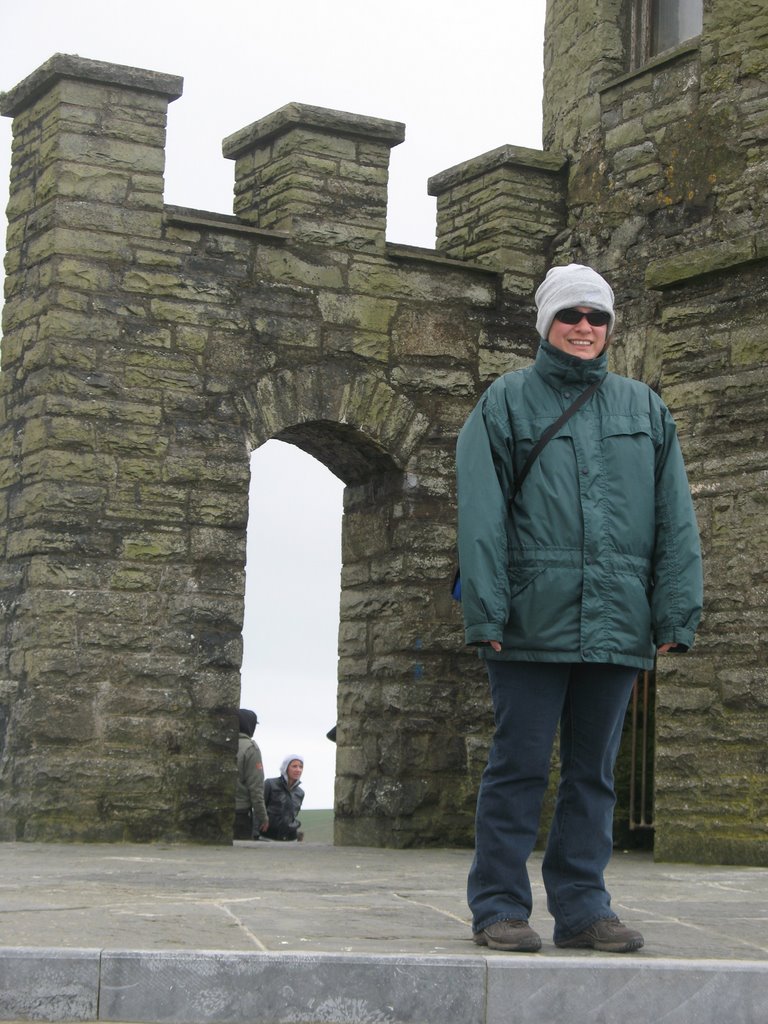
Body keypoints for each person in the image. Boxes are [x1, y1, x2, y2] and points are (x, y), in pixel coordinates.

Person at [456, 264, 703, 954]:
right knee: (520, 766)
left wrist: (675, 613)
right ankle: (500, 908)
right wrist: (487, 614)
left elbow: (675, 518)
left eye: (598, 317)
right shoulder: (504, 402)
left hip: (618, 622)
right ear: (546, 324)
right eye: (572, 315)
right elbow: (480, 517)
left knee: (593, 776)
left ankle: (584, 909)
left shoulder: (645, 409)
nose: (586, 327)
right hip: (529, 621)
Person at [234, 709, 268, 840]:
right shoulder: (250, 748)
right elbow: (256, 787)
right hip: (240, 814)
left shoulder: (223, 744)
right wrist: (263, 817)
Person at [263, 756, 305, 841]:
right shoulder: (270, 784)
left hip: (290, 839)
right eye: (294, 766)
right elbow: (258, 808)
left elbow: (294, 815)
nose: (298, 770)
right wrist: (255, 834)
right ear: (285, 768)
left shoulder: (300, 793)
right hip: (267, 837)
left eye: (301, 767)